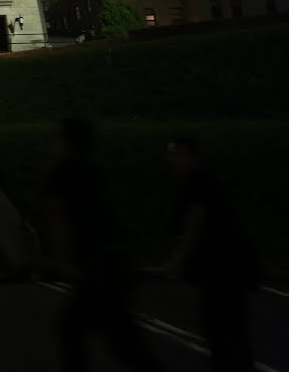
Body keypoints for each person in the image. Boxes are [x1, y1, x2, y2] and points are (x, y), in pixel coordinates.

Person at [44, 118, 163, 372]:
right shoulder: (93, 171)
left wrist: (64, 262)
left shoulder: (62, 172)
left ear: (66, 142)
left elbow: (60, 218)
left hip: (98, 267)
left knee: (75, 330)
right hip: (115, 262)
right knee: (120, 337)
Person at [166, 137, 259, 372]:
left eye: (180, 154)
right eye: (173, 155)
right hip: (225, 268)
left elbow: (194, 221)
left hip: (224, 268)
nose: (175, 160)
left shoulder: (197, 182)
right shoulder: (198, 182)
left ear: (195, 157)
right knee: (227, 330)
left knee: (223, 329)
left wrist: (179, 259)